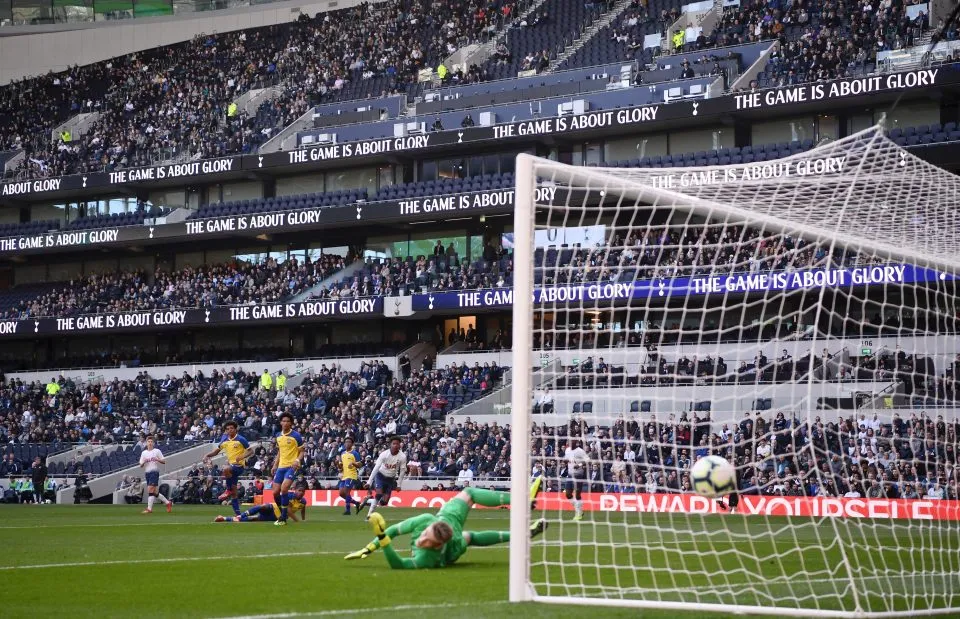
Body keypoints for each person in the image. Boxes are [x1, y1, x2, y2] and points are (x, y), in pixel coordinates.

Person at [345, 487, 547, 568]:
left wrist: (380, 538)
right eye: (425, 534)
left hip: (450, 531)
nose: (422, 538)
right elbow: (392, 531)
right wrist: (368, 548)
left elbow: (397, 564)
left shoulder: (427, 556)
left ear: (435, 545)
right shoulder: (428, 527)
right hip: (449, 530)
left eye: (426, 538)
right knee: (469, 524)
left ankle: (521, 512)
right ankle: (522, 521)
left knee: (468, 529)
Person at [205, 421, 253, 516]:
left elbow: (251, 451)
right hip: (232, 469)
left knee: (225, 468)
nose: (229, 430)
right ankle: (238, 515)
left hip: (239, 467)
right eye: (227, 429)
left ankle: (227, 490)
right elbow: (216, 452)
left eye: (231, 428)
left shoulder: (241, 439)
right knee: (234, 493)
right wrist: (206, 455)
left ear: (235, 429)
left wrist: (242, 456)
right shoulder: (225, 440)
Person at [361, 435, 407, 518]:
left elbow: (402, 471)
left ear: (400, 445)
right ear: (390, 445)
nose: (396, 445)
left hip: (390, 479)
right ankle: (369, 515)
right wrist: (369, 481)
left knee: (384, 502)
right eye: (394, 443)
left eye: (397, 444)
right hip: (380, 476)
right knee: (379, 494)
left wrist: (399, 485)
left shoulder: (402, 457)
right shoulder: (384, 454)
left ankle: (368, 501)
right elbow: (376, 467)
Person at [271, 412, 304, 526]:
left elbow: (302, 452)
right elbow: (280, 451)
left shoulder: (296, 436)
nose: (285, 423)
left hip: (291, 467)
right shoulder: (278, 436)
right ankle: (283, 514)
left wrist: (297, 460)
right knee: (275, 492)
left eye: (288, 421)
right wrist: (275, 465)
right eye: (283, 421)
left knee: (284, 489)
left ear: (291, 423)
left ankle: (283, 518)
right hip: (281, 467)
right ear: (280, 422)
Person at [215, 485, 307, 523]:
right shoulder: (289, 496)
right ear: (295, 490)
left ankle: (224, 518)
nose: (300, 493)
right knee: (262, 506)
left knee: (252, 519)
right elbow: (289, 511)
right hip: (274, 507)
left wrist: (303, 519)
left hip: (276, 517)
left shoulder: (303, 502)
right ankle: (239, 516)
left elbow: (303, 509)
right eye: (299, 490)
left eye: (302, 491)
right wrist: (298, 521)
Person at [139, 436, 172, 514]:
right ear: (146, 443)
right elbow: (140, 465)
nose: (150, 443)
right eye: (148, 441)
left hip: (154, 472)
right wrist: (144, 462)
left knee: (150, 490)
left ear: (153, 443)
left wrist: (157, 459)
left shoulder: (157, 451)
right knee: (155, 492)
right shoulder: (144, 453)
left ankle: (149, 509)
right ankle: (168, 503)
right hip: (147, 473)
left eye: (151, 442)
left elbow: (164, 461)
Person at [564, 440, 589, 521]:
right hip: (570, 474)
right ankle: (579, 509)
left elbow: (588, 460)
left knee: (577, 494)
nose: (570, 443)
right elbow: (566, 459)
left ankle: (578, 513)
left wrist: (579, 465)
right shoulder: (567, 450)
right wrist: (565, 461)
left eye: (572, 442)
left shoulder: (580, 451)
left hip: (578, 474)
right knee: (568, 494)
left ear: (576, 443)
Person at [337, 436, 362, 516]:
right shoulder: (342, 453)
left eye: (349, 442)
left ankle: (348, 510)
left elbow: (360, 464)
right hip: (344, 475)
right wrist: (337, 464)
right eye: (346, 442)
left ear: (352, 444)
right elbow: (340, 467)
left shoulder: (355, 453)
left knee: (347, 492)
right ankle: (356, 503)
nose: (347, 443)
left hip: (351, 475)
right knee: (341, 493)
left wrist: (353, 463)